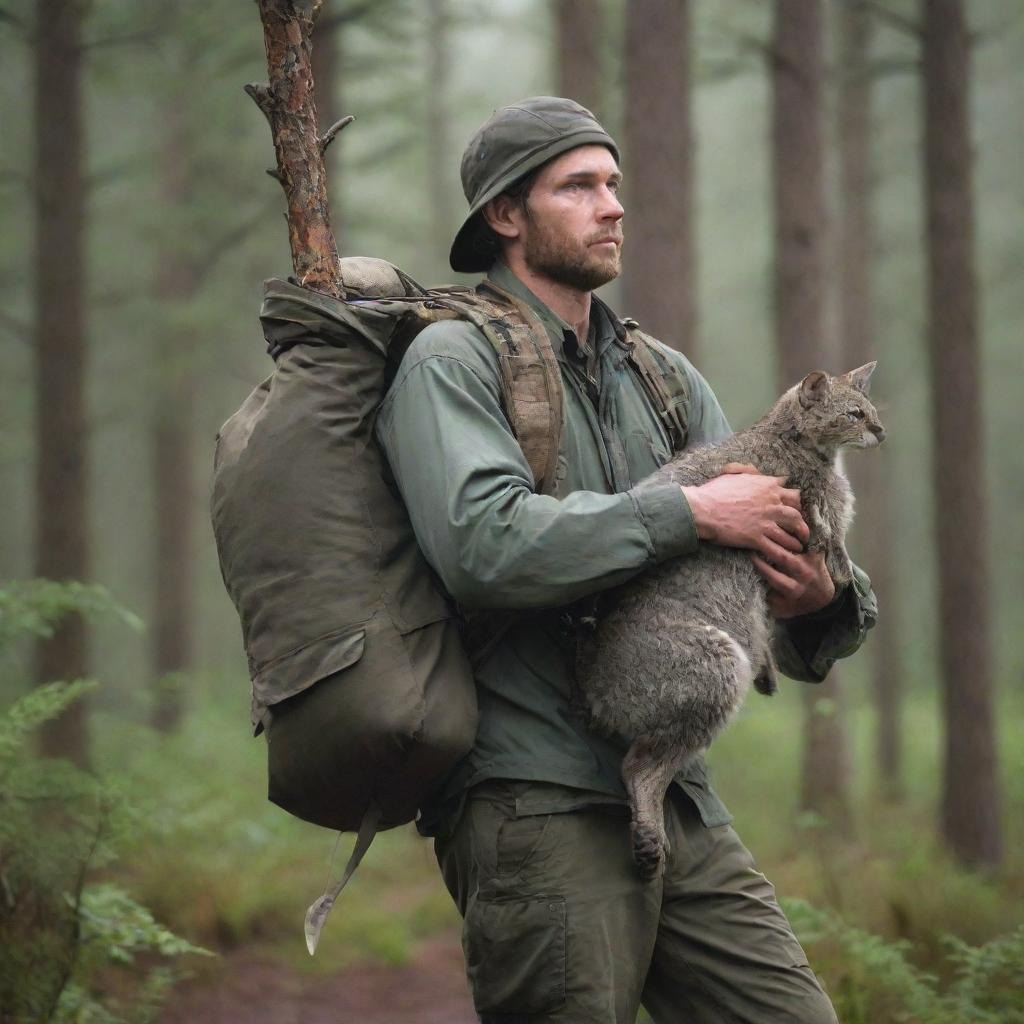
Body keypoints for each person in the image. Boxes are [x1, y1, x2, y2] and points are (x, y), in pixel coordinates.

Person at [377, 97, 875, 1024]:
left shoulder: (664, 374)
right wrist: (685, 511)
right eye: (578, 187)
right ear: (505, 215)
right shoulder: (451, 362)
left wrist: (818, 595)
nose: (612, 206)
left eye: (614, 184)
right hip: (534, 797)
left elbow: (768, 554)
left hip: (675, 793)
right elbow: (484, 546)